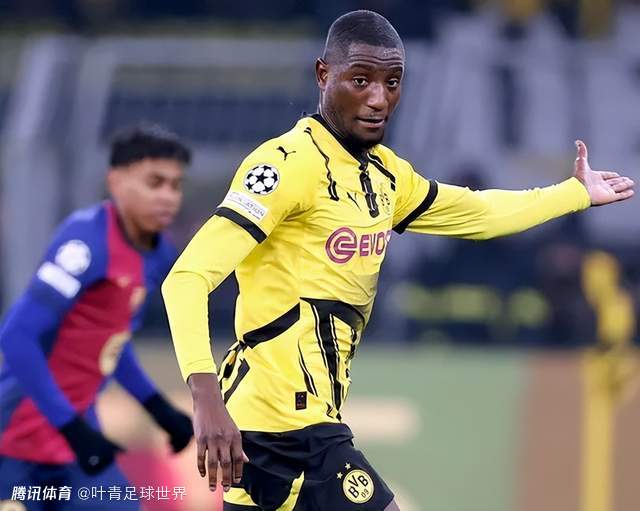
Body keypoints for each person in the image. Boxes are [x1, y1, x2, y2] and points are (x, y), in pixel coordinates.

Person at [161, 10, 634, 511]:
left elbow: (476, 213)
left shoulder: (386, 176)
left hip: (298, 422)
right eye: (360, 80)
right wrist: (205, 398)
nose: (378, 99)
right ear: (323, 75)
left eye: (392, 82)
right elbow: (186, 278)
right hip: (279, 424)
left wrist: (573, 193)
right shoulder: (286, 165)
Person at [0, 126, 194, 510]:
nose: (168, 197)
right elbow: (18, 338)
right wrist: (70, 427)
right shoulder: (85, 243)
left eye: (175, 185)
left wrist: (158, 408)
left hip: (76, 442)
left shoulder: (158, 254)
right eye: (155, 183)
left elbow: (110, 341)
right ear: (116, 181)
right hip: (17, 439)